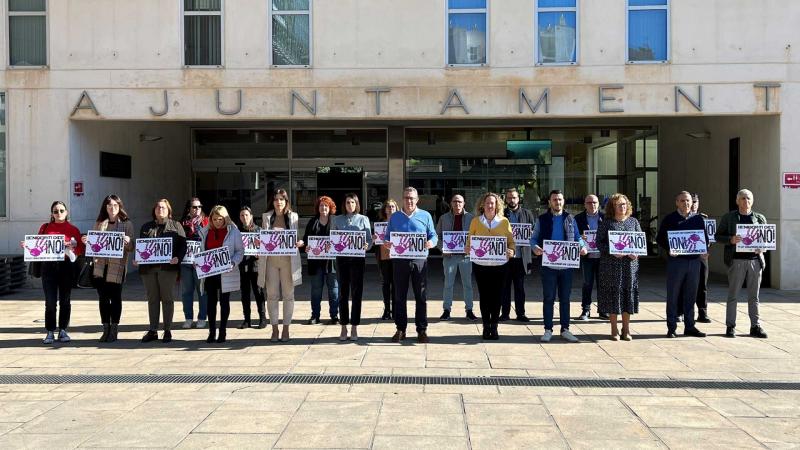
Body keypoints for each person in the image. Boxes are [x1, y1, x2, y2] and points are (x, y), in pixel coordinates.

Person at [21, 201, 84, 344]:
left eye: (62, 211)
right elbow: (38, 246)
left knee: (65, 300)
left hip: (66, 266)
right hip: (48, 267)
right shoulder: (45, 227)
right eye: (56, 211)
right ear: (52, 214)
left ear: (67, 212)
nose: (59, 214)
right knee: (50, 301)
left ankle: (63, 330)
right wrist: (28, 246)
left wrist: (73, 246)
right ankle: (50, 331)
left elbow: (80, 250)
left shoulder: (73, 229)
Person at [531, 190, 587, 343]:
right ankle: (548, 329)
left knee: (565, 299)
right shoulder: (542, 219)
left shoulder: (570, 218)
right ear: (549, 202)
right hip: (548, 266)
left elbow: (577, 238)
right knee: (548, 298)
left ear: (564, 201)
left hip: (566, 267)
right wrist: (535, 247)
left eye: (560, 199)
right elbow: (534, 238)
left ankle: (565, 329)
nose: (558, 202)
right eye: (555, 200)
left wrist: (583, 247)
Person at [384, 187, 437, 344]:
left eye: (412, 198)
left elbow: (434, 235)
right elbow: (388, 237)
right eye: (406, 198)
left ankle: (421, 330)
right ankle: (401, 329)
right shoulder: (395, 217)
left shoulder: (425, 215)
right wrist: (387, 244)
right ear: (402, 199)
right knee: (399, 296)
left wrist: (431, 243)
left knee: (421, 296)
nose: (409, 201)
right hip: (400, 261)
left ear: (417, 199)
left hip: (419, 260)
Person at [715, 189, 769, 339]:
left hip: (755, 261)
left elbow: (766, 239)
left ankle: (755, 326)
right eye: (743, 198)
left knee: (754, 296)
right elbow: (718, 236)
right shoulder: (729, 217)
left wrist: (762, 247)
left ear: (753, 201)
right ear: (737, 201)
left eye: (749, 198)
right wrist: (731, 239)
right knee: (733, 295)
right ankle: (730, 326)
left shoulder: (759, 218)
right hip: (736, 261)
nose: (746, 201)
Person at [656, 191, 709, 338]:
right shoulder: (670, 219)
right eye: (682, 201)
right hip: (677, 261)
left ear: (692, 203)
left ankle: (690, 326)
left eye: (688, 201)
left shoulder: (698, 219)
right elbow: (660, 238)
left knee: (691, 295)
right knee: (673, 294)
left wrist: (705, 250)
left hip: (694, 261)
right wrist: (668, 248)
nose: (686, 203)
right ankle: (671, 327)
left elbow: (704, 238)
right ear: (677, 202)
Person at [84, 195, 134, 343]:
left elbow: (131, 247)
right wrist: (87, 241)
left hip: (117, 267)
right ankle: (105, 328)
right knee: (103, 299)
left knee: (116, 298)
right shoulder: (99, 223)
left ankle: (114, 329)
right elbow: (94, 245)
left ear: (120, 207)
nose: (112, 208)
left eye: (115, 205)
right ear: (105, 207)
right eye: (109, 205)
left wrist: (127, 241)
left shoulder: (127, 224)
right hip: (100, 266)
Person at [136, 199, 187, 343]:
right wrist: (138, 258)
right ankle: (153, 330)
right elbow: (142, 247)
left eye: (163, 207)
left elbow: (183, 246)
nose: (160, 209)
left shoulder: (176, 226)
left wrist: (178, 258)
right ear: (154, 210)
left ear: (169, 210)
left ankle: (167, 330)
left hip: (168, 269)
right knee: (152, 299)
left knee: (167, 299)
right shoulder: (146, 227)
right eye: (158, 207)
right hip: (149, 269)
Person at [466, 192, 515, 339]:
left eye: (492, 203)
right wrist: (467, 248)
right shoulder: (475, 221)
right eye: (487, 202)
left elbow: (511, 242)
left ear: (497, 205)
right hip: (481, 265)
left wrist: (511, 250)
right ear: (482, 205)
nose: (489, 205)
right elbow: (469, 242)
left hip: (500, 266)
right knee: (484, 296)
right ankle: (485, 326)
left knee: (497, 297)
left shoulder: (504, 221)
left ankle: (494, 326)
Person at [258, 189, 303, 342]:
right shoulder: (266, 217)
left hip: (288, 262)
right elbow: (262, 238)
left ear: (286, 201)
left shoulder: (293, 216)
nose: (279, 202)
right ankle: (274, 329)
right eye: (276, 199)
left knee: (288, 296)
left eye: (282, 199)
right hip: (271, 261)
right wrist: (258, 243)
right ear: (272, 201)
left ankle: (286, 328)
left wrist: (300, 242)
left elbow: (298, 238)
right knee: (271, 296)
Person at [596, 194, 640, 340]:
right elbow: (599, 243)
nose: (622, 207)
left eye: (624, 204)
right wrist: (612, 251)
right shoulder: (606, 222)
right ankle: (614, 329)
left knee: (628, 297)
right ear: (612, 207)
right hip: (611, 266)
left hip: (629, 266)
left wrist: (637, 254)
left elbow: (640, 243)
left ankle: (626, 329)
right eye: (618, 204)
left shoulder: (633, 222)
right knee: (613, 296)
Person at [331, 193, 373, 341]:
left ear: (357, 204)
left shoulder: (363, 219)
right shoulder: (336, 219)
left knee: (356, 293)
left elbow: (369, 240)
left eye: (353, 202)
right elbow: (333, 239)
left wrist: (367, 245)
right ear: (344, 204)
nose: (350, 205)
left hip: (357, 260)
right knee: (342, 293)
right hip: (342, 260)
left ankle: (354, 325)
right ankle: (343, 326)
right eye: (348, 202)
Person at [200, 205, 244, 343]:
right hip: (210, 273)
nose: (217, 222)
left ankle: (223, 331)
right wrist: (198, 262)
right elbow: (201, 251)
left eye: (220, 219)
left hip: (226, 272)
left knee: (224, 303)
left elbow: (240, 252)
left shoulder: (234, 232)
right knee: (211, 303)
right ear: (210, 219)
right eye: (214, 219)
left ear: (225, 218)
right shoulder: (205, 232)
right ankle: (211, 331)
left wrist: (233, 263)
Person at [436, 194, 477, 321]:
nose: (457, 204)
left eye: (460, 202)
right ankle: (446, 310)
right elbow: (437, 236)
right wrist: (443, 248)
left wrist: (473, 248)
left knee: (467, 284)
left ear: (464, 203)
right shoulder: (444, 218)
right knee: (448, 284)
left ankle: (469, 310)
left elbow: (476, 236)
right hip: (450, 257)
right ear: (451, 203)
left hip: (466, 257)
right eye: (455, 201)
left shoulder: (472, 218)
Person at [302, 196, 340, 325]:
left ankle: (334, 315)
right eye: (321, 206)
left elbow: (341, 240)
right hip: (316, 262)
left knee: (334, 289)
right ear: (317, 208)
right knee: (316, 290)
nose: (323, 208)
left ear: (330, 208)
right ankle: (315, 315)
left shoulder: (336, 221)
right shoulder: (312, 221)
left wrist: (334, 245)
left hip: (332, 262)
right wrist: (306, 246)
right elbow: (306, 239)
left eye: (326, 206)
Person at [501, 188, 534, 322]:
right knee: (504, 287)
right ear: (506, 199)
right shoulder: (501, 213)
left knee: (520, 287)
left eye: (514, 197)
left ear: (518, 199)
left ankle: (521, 313)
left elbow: (534, 229)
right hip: (505, 257)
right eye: (509, 198)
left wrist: (531, 234)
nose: (511, 200)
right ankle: (505, 314)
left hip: (521, 257)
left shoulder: (527, 213)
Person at [575, 194, 606, 320]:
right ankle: (586, 310)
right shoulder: (578, 218)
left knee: (602, 283)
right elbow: (575, 235)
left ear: (598, 204)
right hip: (587, 256)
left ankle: (603, 310)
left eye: (594, 202)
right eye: (589, 202)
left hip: (602, 256)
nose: (592, 205)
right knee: (587, 283)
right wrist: (580, 242)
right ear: (584, 204)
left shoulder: (605, 217)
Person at [180, 197, 209, 329]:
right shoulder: (181, 223)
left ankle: (202, 317)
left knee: (202, 291)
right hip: (186, 263)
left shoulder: (207, 222)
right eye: (194, 207)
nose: (197, 209)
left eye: (199, 207)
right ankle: (188, 318)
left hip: (201, 262)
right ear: (189, 209)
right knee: (186, 291)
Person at [238, 206, 266, 329]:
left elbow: (266, 248)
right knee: (245, 294)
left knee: (258, 292)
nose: (244, 217)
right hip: (243, 266)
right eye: (242, 215)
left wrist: (260, 253)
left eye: (246, 215)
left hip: (255, 266)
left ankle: (262, 318)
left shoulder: (259, 230)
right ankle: (247, 319)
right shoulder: (237, 232)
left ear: (251, 216)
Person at [690, 193, 711, 323]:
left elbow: (709, 237)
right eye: (691, 201)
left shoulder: (704, 219)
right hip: (686, 256)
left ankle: (702, 312)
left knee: (702, 285)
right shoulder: (683, 218)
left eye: (695, 202)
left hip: (701, 256)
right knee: (684, 284)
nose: (693, 204)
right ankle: (681, 311)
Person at [375, 199, 398, 321]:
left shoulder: (400, 222)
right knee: (385, 283)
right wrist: (373, 238)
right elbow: (373, 240)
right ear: (384, 209)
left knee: (395, 284)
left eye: (393, 207)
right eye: (388, 206)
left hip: (396, 257)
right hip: (383, 257)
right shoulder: (379, 223)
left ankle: (395, 309)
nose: (390, 209)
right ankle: (386, 310)